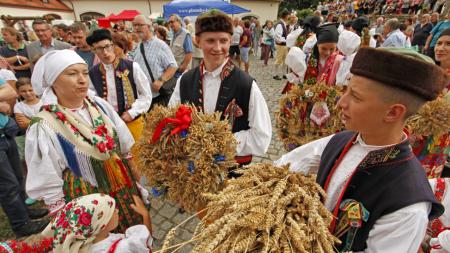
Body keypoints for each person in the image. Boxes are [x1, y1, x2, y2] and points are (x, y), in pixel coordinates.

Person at [276, 47, 447, 252]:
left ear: (393, 112)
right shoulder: (339, 141)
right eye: (346, 89)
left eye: (355, 97)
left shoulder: (406, 204)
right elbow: (283, 165)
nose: (340, 103)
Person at [26, 49, 145, 232]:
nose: (82, 79)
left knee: (134, 228)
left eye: (85, 72)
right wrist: (63, 218)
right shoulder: (44, 125)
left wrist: (132, 166)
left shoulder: (99, 105)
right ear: (53, 81)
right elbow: (48, 178)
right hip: (86, 196)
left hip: (122, 183)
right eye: (72, 73)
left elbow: (122, 140)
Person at [169, 9, 272, 167]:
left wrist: (218, 144)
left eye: (223, 41)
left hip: (232, 176)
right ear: (198, 41)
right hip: (192, 172)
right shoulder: (185, 80)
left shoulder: (246, 84)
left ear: (230, 41)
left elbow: (261, 137)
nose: (218, 48)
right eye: (210, 40)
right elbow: (171, 121)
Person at [0, 76, 50, 238]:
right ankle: (21, 224)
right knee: (8, 184)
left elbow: (10, 92)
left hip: (6, 132)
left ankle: (24, 212)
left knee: (17, 176)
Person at [86, 29, 152, 141]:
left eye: (107, 46)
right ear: (94, 50)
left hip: (132, 122)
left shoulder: (132, 67)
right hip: (108, 126)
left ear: (112, 45)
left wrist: (132, 112)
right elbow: (92, 99)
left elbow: (146, 95)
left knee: (137, 156)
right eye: (99, 49)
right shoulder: (92, 73)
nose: (105, 52)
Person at [41, 193, 152, 253]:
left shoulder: (83, 247)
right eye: (112, 211)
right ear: (101, 225)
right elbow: (146, 244)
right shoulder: (122, 248)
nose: (117, 210)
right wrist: (145, 215)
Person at [132, 15, 178, 107]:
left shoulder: (160, 45)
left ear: (149, 26)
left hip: (158, 97)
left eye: (140, 25)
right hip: (143, 98)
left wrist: (161, 80)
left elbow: (173, 66)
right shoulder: (138, 46)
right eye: (134, 25)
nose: (136, 28)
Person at [273, 10, 290, 80]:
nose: (288, 17)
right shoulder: (280, 24)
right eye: (288, 15)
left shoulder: (283, 23)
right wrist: (286, 40)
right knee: (278, 60)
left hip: (284, 45)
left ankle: (284, 74)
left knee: (285, 60)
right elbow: (277, 36)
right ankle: (275, 74)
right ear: (286, 16)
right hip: (281, 45)